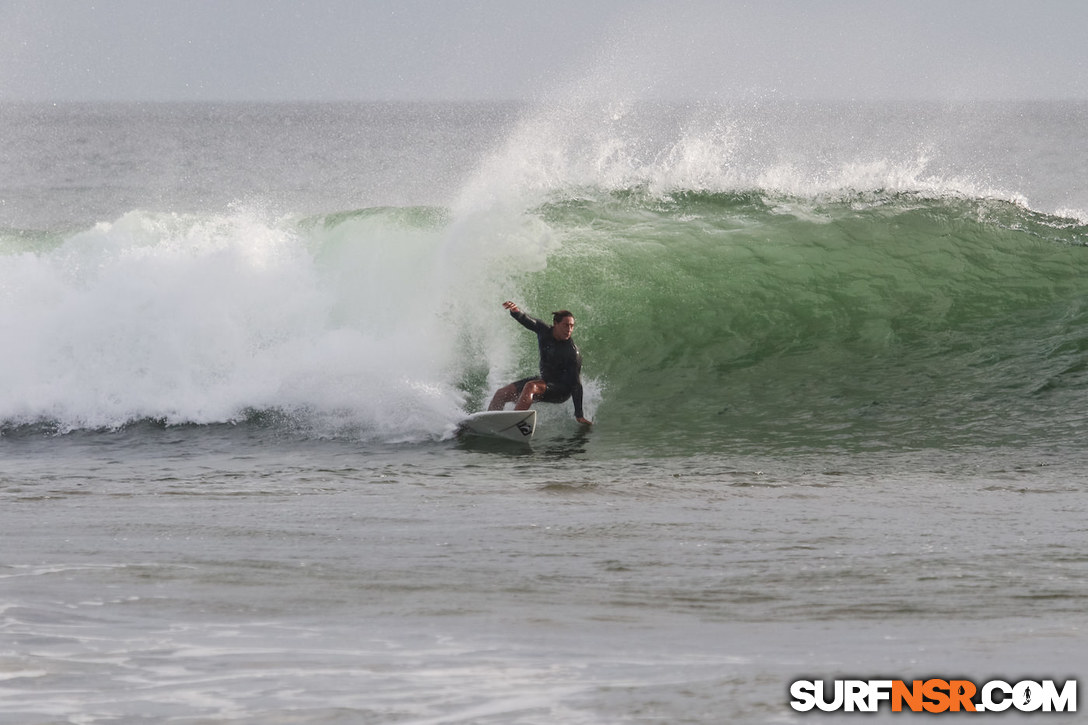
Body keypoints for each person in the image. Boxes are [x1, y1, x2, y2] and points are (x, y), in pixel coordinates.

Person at [488, 301, 592, 425]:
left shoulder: (572, 352)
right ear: (555, 324)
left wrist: (579, 415)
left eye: (572, 326)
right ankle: (489, 423)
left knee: (531, 386)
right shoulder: (544, 330)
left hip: (561, 390)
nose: (569, 330)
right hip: (544, 381)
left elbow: (576, 385)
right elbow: (528, 321)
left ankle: (514, 424)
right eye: (566, 325)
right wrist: (515, 311)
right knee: (501, 394)